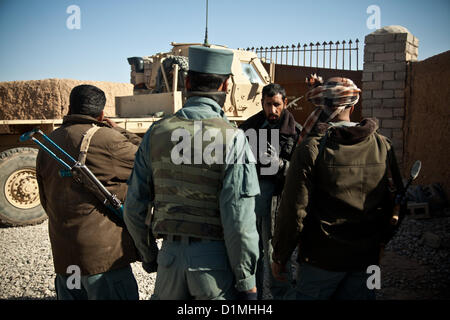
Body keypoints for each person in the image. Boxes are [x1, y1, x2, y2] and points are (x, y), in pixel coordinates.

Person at [124, 45, 260, 300]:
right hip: (214, 265)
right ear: (226, 86)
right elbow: (238, 218)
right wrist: (246, 279)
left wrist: (150, 255)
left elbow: (133, 207)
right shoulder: (232, 138)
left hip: (170, 259)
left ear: (187, 82)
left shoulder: (156, 133)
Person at [271, 77, 404, 300]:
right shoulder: (383, 145)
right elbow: (397, 202)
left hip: (320, 260)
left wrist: (280, 256)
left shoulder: (311, 148)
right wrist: (380, 243)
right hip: (367, 261)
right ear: (353, 106)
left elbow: (294, 210)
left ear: (322, 106)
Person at [36, 84, 141, 300]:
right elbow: (147, 154)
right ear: (102, 114)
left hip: (66, 260)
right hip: (103, 262)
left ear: (69, 108)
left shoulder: (49, 141)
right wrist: (117, 129)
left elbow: (45, 199)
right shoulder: (108, 140)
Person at [239, 83, 301, 299]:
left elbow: (300, 173)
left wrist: (279, 165)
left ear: (284, 103)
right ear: (262, 103)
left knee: (276, 253)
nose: (272, 110)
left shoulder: (296, 132)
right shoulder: (248, 128)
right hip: (251, 200)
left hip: (278, 201)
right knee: (251, 251)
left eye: (277, 105)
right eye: (268, 104)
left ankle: (282, 294)